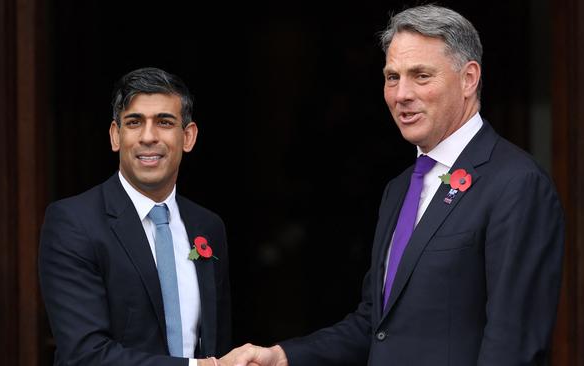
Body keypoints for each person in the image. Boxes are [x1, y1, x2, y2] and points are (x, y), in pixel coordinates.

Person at [225, 4, 564, 366]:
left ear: (468, 79)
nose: (401, 94)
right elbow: (375, 325)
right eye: (392, 77)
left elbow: (512, 347)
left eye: (420, 76)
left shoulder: (516, 183)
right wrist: (282, 356)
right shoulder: (400, 188)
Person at [39, 67, 231, 366]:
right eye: (134, 122)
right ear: (116, 136)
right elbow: (84, 355)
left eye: (165, 122)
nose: (148, 137)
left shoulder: (207, 226)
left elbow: (215, 343)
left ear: (188, 137)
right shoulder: (73, 222)